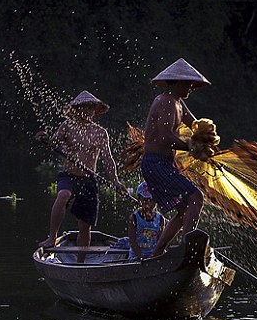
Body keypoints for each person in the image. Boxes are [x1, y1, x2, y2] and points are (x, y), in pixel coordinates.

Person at [37, 91, 131, 261]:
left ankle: (81, 265)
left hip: (89, 180)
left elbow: (108, 160)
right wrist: (45, 139)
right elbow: (53, 145)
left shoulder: (100, 132)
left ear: (95, 111)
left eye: (90, 108)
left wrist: (116, 181)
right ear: (76, 109)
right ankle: (52, 237)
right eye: (83, 108)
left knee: (84, 226)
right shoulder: (67, 126)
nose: (87, 111)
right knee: (63, 195)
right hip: (69, 176)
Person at [141, 58, 211, 257]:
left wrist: (208, 142)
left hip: (165, 163)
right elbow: (165, 137)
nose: (191, 87)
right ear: (177, 82)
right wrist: (192, 148)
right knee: (196, 197)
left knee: (183, 210)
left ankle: (157, 252)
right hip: (155, 163)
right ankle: (186, 247)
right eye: (188, 84)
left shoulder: (178, 103)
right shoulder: (166, 101)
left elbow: (195, 125)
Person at [127, 182, 165, 260]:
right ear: (139, 199)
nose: (148, 203)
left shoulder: (160, 219)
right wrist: (141, 257)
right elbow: (132, 242)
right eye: (145, 200)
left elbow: (161, 242)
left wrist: (154, 256)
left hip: (154, 256)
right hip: (136, 256)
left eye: (151, 200)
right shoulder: (134, 218)